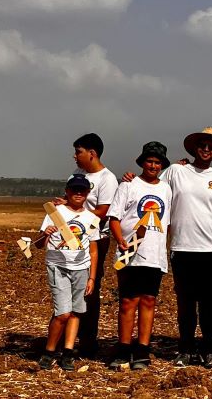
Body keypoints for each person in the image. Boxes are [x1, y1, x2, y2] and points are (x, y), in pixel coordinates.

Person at [162, 127, 212, 368]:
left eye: (211, 146)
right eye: (203, 144)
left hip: (211, 249)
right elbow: (155, 191)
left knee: (211, 303)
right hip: (183, 248)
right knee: (186, 303)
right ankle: (186, 348)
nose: (206, 149)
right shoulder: (176, 171)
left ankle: (209, 349)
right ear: (194, 147)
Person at [107, 142, 172, 370]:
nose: (153, 165)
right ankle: (124, 348)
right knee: (127, 302)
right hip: (130, 254)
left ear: (162, 165)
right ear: (142, 162)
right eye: (149, 161)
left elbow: (169, 222)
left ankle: (142, 348)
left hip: (155, 255)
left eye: (157, 162)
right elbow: (114, 217)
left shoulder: (166, 189)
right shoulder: (128, 185)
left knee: (149, 300)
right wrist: (120, 239)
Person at [36, 174, 100, 370]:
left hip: (81, 268)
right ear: (67, 191)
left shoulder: (91, 218)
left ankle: (68, 352)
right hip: (58, 267)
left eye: (82, 190)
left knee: (76, 312)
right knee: (62, 313)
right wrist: (45, 234)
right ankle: (49, 351)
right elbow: (39, 245)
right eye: (74, 189)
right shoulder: (56, 213)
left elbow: (93, 250)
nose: (78, 193)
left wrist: (92, 277)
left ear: (88, 193)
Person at [66, 133, 118, 357]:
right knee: (69, 285)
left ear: (92, 153)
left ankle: (88, 340)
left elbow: (103, 213)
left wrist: (78, 215)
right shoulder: (77, 174)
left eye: (78, 152)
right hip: (73, 239)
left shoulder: (108, 179)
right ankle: (70, 335)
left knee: (90, 287)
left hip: (96, 239)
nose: (75, 156)